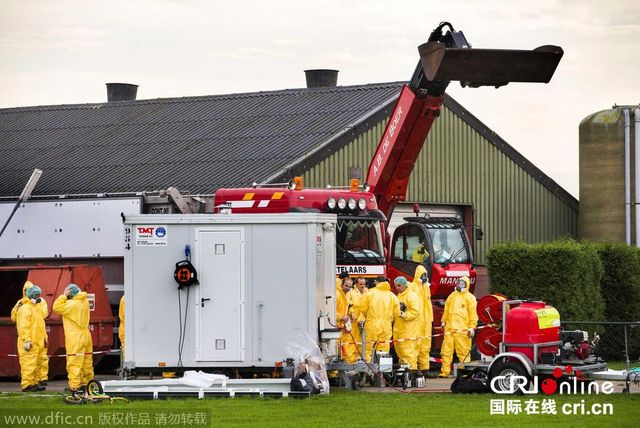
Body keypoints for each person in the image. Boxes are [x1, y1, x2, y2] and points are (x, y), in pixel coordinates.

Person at [52, 283, 94, 392]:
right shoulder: (84, 302)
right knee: (86, 362)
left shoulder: (71, 305)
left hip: (75, 337)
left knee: (74, 362)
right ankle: (87, 384)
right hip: (86, 335)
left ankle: (75, 386)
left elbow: (56, 307)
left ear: (70, 293)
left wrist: (64, 296)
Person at [11, 280, 49, 387]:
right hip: (28, 340)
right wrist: (27, 340)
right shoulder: (23, 306)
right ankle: (27, 385)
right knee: (28, 363)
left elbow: (41, 323)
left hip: (37, 339)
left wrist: (45, 337)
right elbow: (22, 325)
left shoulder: (36, 306)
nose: (37, 296)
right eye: (35, 294)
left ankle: (34, 383)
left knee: (36, 362)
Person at [439, 276, 478, 378]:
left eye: (463, 284)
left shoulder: (470, 298)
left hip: (462, 330)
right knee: (446, 351)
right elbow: (446, 310)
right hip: (450, 329)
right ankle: (445, 371)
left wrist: (472, 327)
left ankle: (465, 373)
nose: (460, 285)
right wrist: (443, 321)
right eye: (459, 283)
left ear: (467, 285)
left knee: (463, 352)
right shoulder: (452, 296)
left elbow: (473, 314)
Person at [359, 278, 400, 362]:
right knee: (383, 349)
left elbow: (362, 308)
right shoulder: (392, 295)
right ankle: (382, 372)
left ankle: (369, 371)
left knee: (369, 349)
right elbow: (397, 313)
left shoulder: (369, 293)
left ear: (376, 282)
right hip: (386, 326)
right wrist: (390, 319)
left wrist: (369, 316)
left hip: (372, 324)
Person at [410, 265, 435, 376]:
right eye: (422, 275)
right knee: (415, 346)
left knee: (425, 346)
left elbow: (428, 304)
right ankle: (414, 369)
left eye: (425, 275)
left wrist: (430, 319)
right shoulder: (412, 287)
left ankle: (425, 370)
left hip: (426, 322)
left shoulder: (426, 287)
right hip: (416, 321)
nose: (424, 277)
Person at [393, 277, 420, 370]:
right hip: (399, 328)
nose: (397, 288)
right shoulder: (399, 296)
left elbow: (415, 312)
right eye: (396, 286)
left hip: (409, 329)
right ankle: (404, 372)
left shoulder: (411, 296)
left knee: (408, 352)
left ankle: (411, 372)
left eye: (399, 285)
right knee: (400, 351)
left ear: (405, 285)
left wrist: (405, 315)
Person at [336, 275, 359, 363]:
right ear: (342, 285)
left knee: (347, 346)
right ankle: (334, 375)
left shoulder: (348, 294)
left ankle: (348, 367)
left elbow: (349, 305)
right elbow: (330, 311)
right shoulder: (337, 294)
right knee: (336, 349)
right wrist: (340, 317)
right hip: (335, 326)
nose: (348, 288)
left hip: (343, 325)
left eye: (350, 286)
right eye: (346, 286)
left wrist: (351, 312)